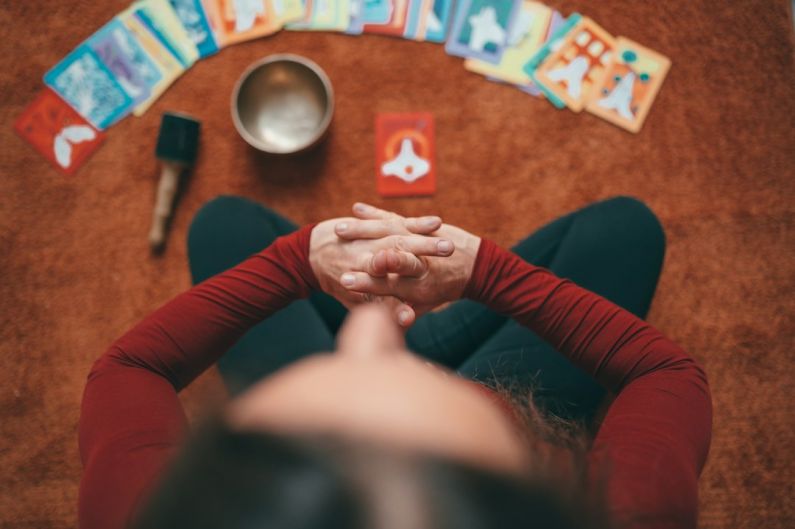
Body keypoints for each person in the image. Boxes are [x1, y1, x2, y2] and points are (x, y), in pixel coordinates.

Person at [78, 197, 712, 529]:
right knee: (625, 230)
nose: (372, 332)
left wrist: (299, 260)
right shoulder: (622, 516)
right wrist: (482, 272)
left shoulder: (153, 517)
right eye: (397, 369)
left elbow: (130, 369)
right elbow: (664, 375)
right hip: (506, 368)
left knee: (225, 223)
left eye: (334, 379)